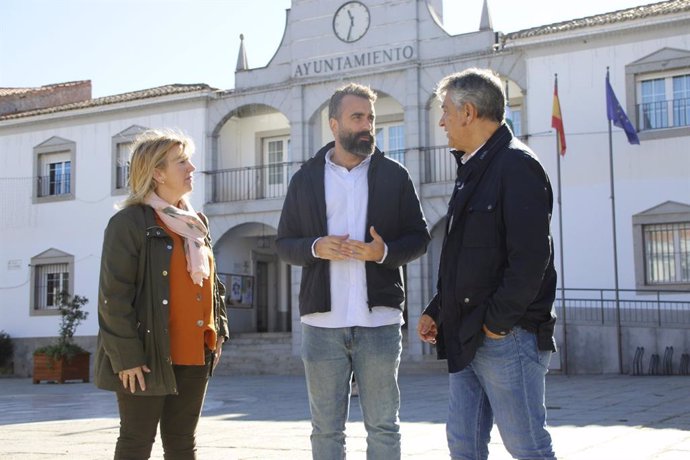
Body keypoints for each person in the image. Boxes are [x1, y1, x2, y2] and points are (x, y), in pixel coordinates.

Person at [276, 83, 430, 459]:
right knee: (326, 431)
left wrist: (384, 252)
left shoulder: (395, 176)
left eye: (371, 118)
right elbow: (284, 244)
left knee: (383, 427)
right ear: (334, 124)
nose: (367, 125)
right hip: (321, 324)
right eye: (357, 117)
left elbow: (420, 237)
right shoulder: (305, 179)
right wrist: (316, 247)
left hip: (379, 322)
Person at [417, 68, 558, 460]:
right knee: (464, 445)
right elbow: (465, 255)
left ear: (468, 112)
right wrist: (437, 308)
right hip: (467, 331)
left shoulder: (517, 165)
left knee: (527, 446)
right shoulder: (472, 168)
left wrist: (497, 324)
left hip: (506, 337)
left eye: (445, 110)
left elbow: (531, 258)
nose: (441, 121)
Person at [94, 129, 229, 460]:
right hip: (147, 355)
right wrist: (126, 358)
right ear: (157, 172)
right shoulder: (128, 223)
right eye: (181, 162)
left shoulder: (196, 222)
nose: (191, 168)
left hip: (195, 350)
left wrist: (219, 330)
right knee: (137, 441)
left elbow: (213, 283)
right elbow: (114, 297)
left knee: (183, 441)